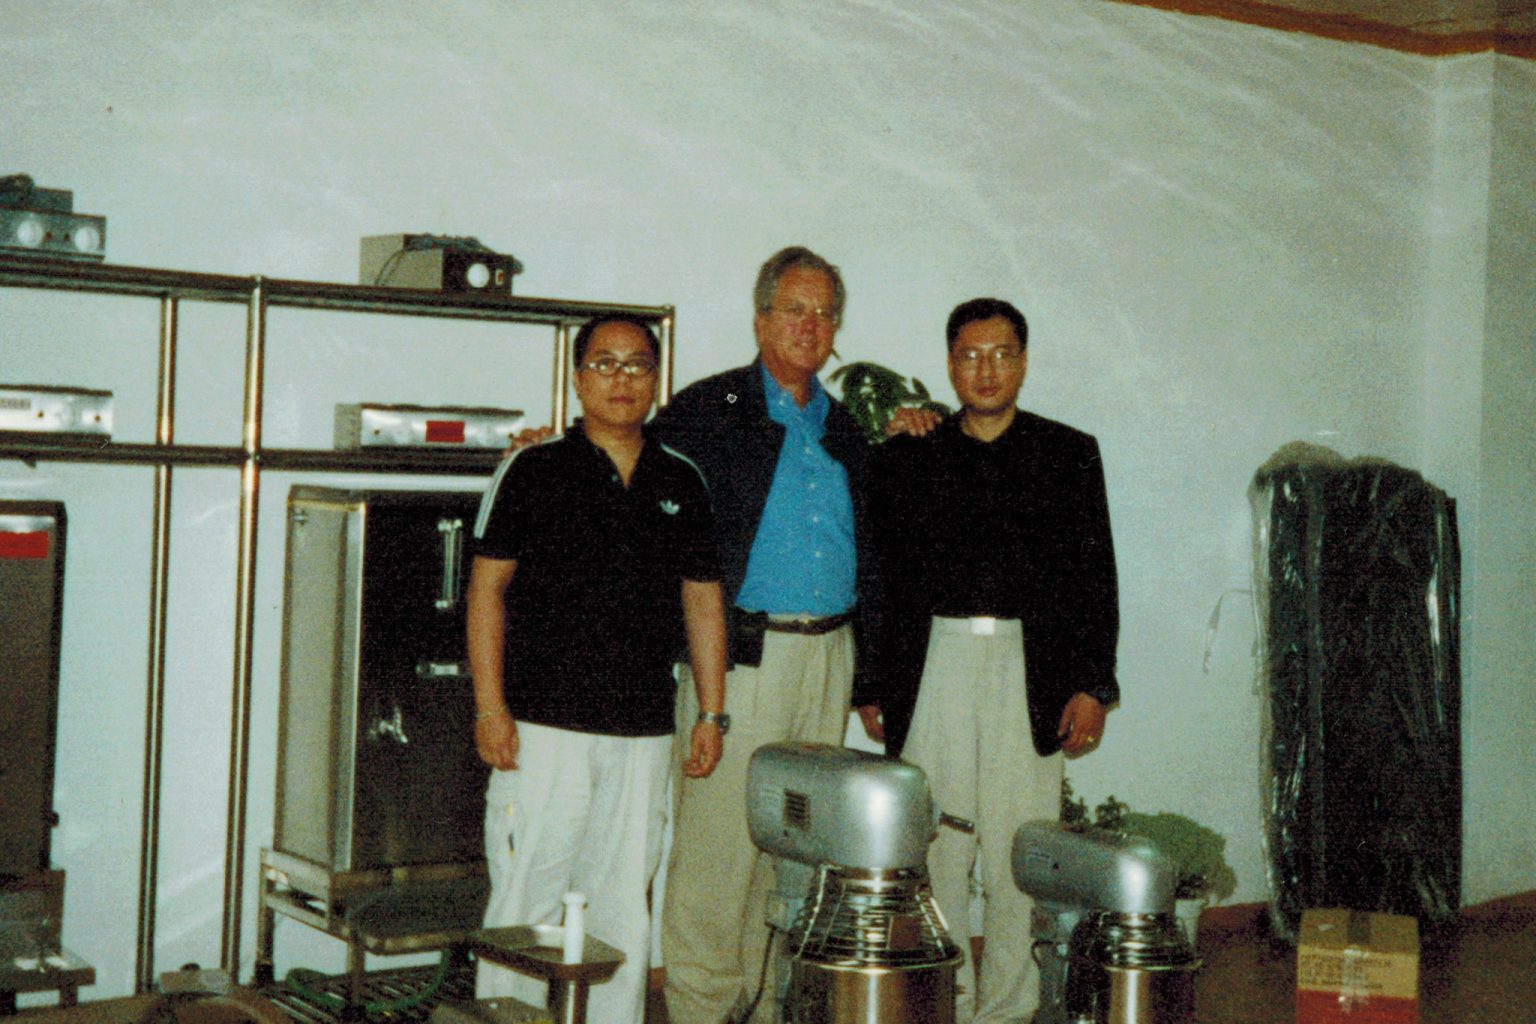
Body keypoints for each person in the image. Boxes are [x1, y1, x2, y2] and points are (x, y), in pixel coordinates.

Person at [863, 297, 1119, 1024]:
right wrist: (871, 681)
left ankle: (1008, 1009)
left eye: (1002, 354)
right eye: (971, 355)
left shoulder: (1068, 453)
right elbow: (879, 577)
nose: (987, 369)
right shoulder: (908, 455)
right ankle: (942, 1002)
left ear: (1024, 363)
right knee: (935, 846)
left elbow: (1096, 577)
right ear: (950, 365)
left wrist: (1093, 685)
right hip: (934, 661)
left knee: (1019, 846)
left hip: (1030, 666)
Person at [467, 313, 727, 1024]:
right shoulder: (533, 468)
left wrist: (711, 711)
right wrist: (490, 707)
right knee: (526, 899)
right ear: (579, 379)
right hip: (541, 728)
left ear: (656, 380)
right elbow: (486, 592)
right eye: (605, 364)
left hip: (643, 732)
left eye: (637, 365)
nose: (622, 379)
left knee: (621, 908)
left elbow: (703, 600)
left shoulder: (681, 479)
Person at [657, 246, 879, 1024]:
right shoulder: (705, 411)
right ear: (760, 320)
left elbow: (876, 553)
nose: (810, 326)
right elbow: (636, 487)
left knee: (792, 858)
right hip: (741, 660)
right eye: (794, 310)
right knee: (718, 855)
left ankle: (760, 1010)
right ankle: (700, 1011)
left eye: (825, 314)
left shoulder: (847, 428)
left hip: (830, 658)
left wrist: (870, 680)